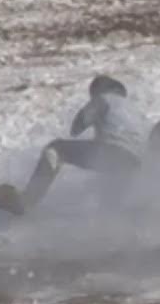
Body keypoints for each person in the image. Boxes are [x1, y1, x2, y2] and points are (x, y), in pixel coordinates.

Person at [21, 74, 147, 210]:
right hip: (136, 161)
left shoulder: (103, 98)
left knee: (56, 148)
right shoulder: (136, 111)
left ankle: (27, 200)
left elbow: (77, 128)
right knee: (111, 204)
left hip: (111, 150)